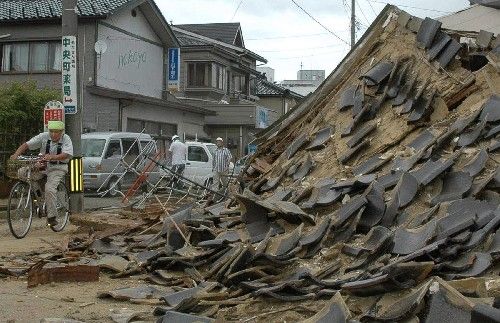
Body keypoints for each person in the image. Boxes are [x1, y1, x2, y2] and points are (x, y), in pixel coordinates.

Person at [10, 120, 73, 227]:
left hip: (58, 167)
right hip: (43, 165)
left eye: (56, 132)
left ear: (61, 132)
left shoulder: (66, 139)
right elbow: (26, 145)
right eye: (51, 131)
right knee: (22, 172)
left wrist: (52, 157)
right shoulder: (43, 136)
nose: (53, 134)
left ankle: (52, 216)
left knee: (49, 188)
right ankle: (39, 197)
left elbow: (66, 154)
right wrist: (16, 154)